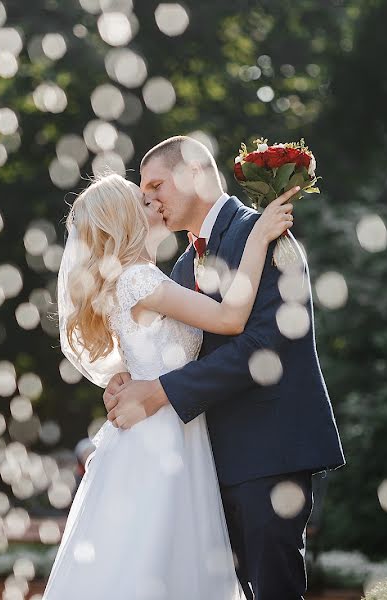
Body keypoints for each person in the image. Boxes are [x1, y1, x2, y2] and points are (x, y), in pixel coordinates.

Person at [102, 136, 345, 599]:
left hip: (268, 453)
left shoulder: (266, 234)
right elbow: (174, 352)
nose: (149, 198)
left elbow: (265, 347)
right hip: (204, 462)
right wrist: (126, 382)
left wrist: (158, 392)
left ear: (194, 172)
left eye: (157, 184)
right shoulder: (177, 270)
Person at [44, 169, 298, 599]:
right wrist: (257, 239)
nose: (155, 204)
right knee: (163, 556)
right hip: (163, 433)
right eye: (143, 203)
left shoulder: (133, 278)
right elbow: (229, 319)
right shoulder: (139, 279)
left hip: (160, 428)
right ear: (126, 221)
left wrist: (123, 377)